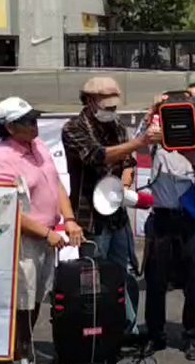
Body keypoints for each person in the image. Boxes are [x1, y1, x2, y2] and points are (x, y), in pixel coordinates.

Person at [0, 97, 84, 364]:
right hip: (22, 240)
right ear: (10, 127)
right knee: (21, 303)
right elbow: (4, 209)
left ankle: (24, 351)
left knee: (36, 296)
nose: (34, 124)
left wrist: (70, 219)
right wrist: (46, 233)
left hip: (46, 236)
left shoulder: (38, 147)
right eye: (27, 121)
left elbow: (56, 185)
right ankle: (16, 359)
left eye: (34, 118)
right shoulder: (1, 159)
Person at [143, 96, 195, 361]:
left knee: (194, 281)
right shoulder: (156, 141)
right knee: (155, 281)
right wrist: (150, 113)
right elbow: (137, 147)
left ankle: (193, 337)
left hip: (190, 218)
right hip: (162, 217)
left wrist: (193, 160)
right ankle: (155, 335)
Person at [62, 77, 158, 271]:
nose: (112, 111)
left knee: (125, 272)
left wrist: (124, 185)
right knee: (95, 276)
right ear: (90, 101)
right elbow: (96, 156)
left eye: (114, 107)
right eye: (107, 107)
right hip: (90, 216)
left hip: (117, 215)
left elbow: (129, 162)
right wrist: (139, 142)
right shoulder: (73, 128)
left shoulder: (117, 126)